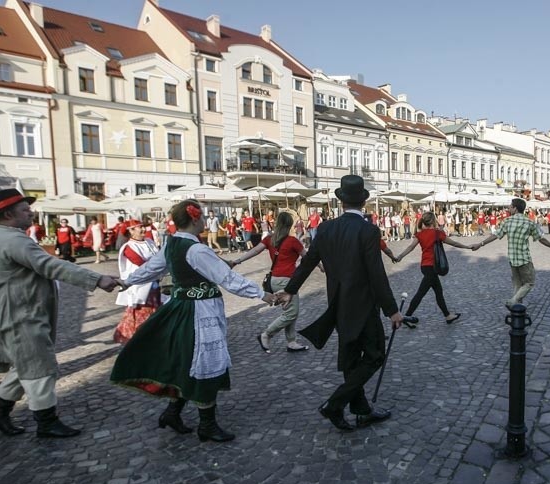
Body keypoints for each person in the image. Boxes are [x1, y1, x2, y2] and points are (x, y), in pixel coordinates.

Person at [110, 200, 272, 443]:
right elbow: (227, 278)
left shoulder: (172, 243)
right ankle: (207, 425)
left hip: (180, 308)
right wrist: (263, 294)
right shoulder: (196, 250)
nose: (205, 220)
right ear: (195, 219)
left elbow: (151, 269)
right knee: (206, 363)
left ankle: (172, 412)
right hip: (200, 312)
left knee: (188, 361)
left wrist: (128, 281)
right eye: (203, 216)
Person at [0, 189, 122, 438]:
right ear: (8, 214)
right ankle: (46, 422)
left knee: (25, 365)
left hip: (18, 312)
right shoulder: (13, 240)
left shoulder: (0, 236)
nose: (31, 213)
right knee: (41, 367)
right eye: (25, 210)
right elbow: (49, 264)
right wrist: (97, 278)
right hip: (18, 316)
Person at [276, 174, 403, 432]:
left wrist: (290, 290)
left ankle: (362, 410)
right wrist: (392, 310)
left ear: (341, 202)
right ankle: (335, 404)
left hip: (338, 304)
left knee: (351, 359)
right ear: (363, 202)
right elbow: (376, 273)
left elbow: (308, 262)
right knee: (375, 355)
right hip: (364, 305)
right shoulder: (368, 230)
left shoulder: (325, 229)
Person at [231, 211, 310, 354]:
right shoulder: (293, 241)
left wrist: (237, 261)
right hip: (288, 281)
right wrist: (323, 267)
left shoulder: (270, 239)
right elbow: (308, 258)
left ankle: (291, 342)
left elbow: (254, 251)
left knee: (289, 311)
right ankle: (266, 335)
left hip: (274, 280)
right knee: (292, 313)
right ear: (290, 225)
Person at [475, 197, 550, 306]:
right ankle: (514, 302)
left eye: (510, 207)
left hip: (512, 259)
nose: (509, 208)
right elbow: (541, 238)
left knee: (517, 284)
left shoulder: (507, 221)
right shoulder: (529, 222)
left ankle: (516, 308)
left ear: (515, 209)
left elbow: (495, 235)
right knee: (529, 282)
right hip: (524, 259)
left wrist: (481, 244)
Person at [395, 211, 473, 325]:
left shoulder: (420, 234)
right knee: (421, 292)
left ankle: (448, 316)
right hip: (433, 267)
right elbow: (454, 244)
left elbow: (411, 247)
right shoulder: (438, 233)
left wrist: (400, 256)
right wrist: (467, 246)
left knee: (438, 291)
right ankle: (407, 316)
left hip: (425, 266)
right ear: (433, 221)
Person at [113, 219, 165, 344]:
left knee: (155, 310)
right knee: (141, 312)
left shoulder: (149, 242)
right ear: (130, 231)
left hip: (154, 283)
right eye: (138, 227)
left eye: (142, 226)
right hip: (140, 287)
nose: (142, 229)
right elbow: (142, 264)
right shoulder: (128, 247)